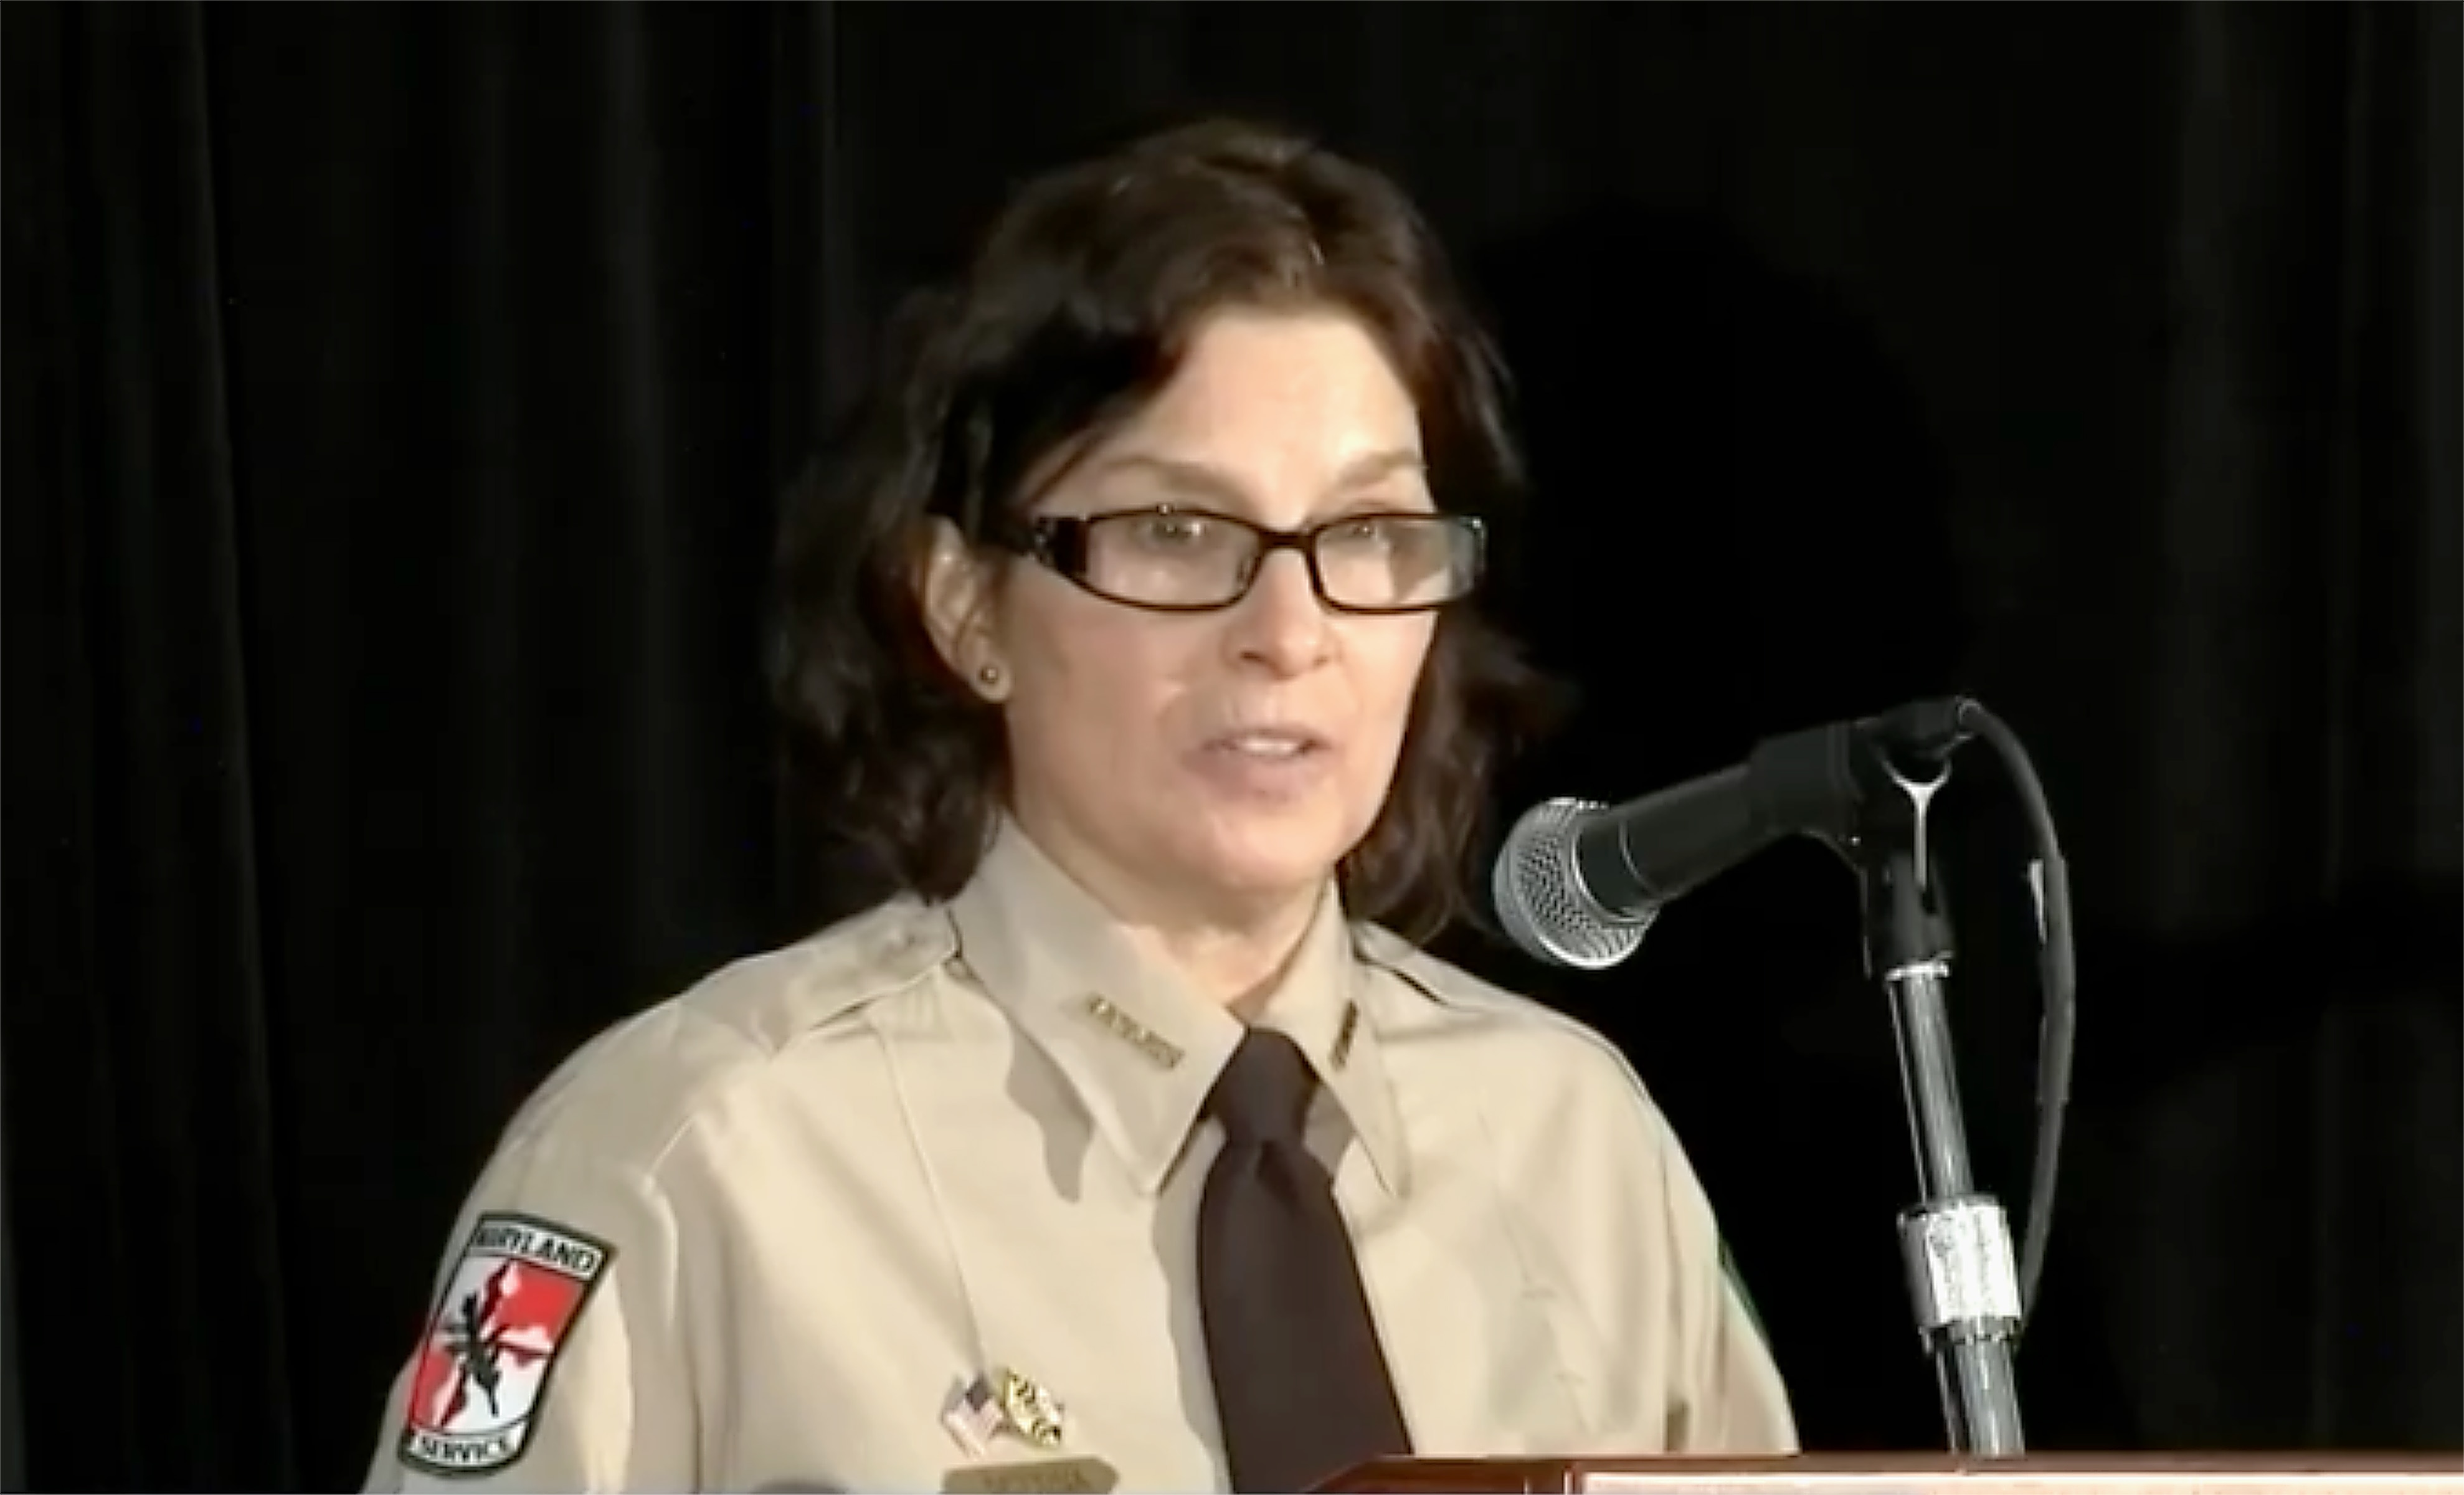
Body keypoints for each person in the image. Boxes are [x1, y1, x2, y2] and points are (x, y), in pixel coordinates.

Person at [359, 116, 1796, 1495]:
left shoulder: (1575, 1145)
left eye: (1367, 532)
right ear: (966, 608)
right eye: (1175, 532)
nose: (1289, 632)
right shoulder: (697, 1158)